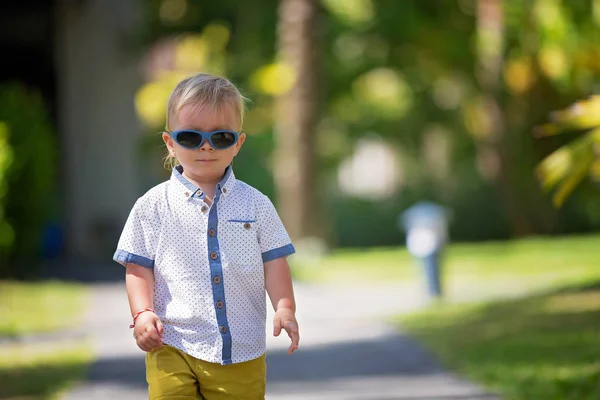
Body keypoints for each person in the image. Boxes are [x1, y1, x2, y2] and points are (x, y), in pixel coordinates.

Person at [113, 73, 299, 399]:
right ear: (170, 142)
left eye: (221, 137)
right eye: (190, 137)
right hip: (171, 341)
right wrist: (142, 312)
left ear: (238, 143)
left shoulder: (256, 204)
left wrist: (285, 307)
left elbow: (274, 261)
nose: (206, 146)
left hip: (240, 349)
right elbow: (138, 267)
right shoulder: (152, 206)